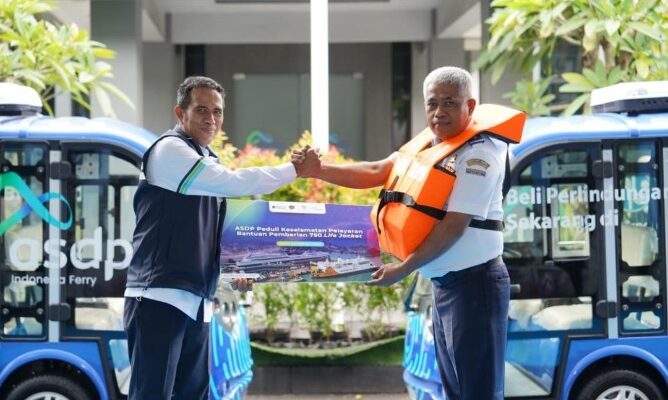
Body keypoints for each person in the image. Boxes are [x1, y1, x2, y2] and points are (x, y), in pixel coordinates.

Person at [299, 66, 523, 399]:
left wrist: (404, 268)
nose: (439, 111)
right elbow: (378, 170)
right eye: (432, 103)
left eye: (449, 102)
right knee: (456, 390)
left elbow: (453, 225)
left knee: (478, 392)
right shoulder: (430, 145)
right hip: (446, 286)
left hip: (475, 287)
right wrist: (319, 170)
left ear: (470, 106)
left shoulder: (480, 154)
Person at [123, 76, 319, 400]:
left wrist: (233, 271)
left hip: (196, 301)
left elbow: (212, 233)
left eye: (217, 111)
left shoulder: (206, 160)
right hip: (158, 296)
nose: (211, 118)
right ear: (180, 113)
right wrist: (293, 170)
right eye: (201, 109)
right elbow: (234, 182)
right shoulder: (170, 150)